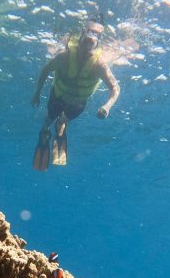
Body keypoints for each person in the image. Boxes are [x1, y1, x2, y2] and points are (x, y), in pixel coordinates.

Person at [31, 21, 120, 171]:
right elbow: (45, 71)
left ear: (96, 46)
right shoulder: (64, 57)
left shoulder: (100, 65)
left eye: (91, 45)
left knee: (64, 119)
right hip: (57, 98)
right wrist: (36, 94)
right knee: (49, 119)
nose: (86, 50)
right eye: (85, 43)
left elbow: (115, 88)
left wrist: (107, 106)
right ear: (79, 41)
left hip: (78, 105)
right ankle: (45, 132)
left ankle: (61, 125)